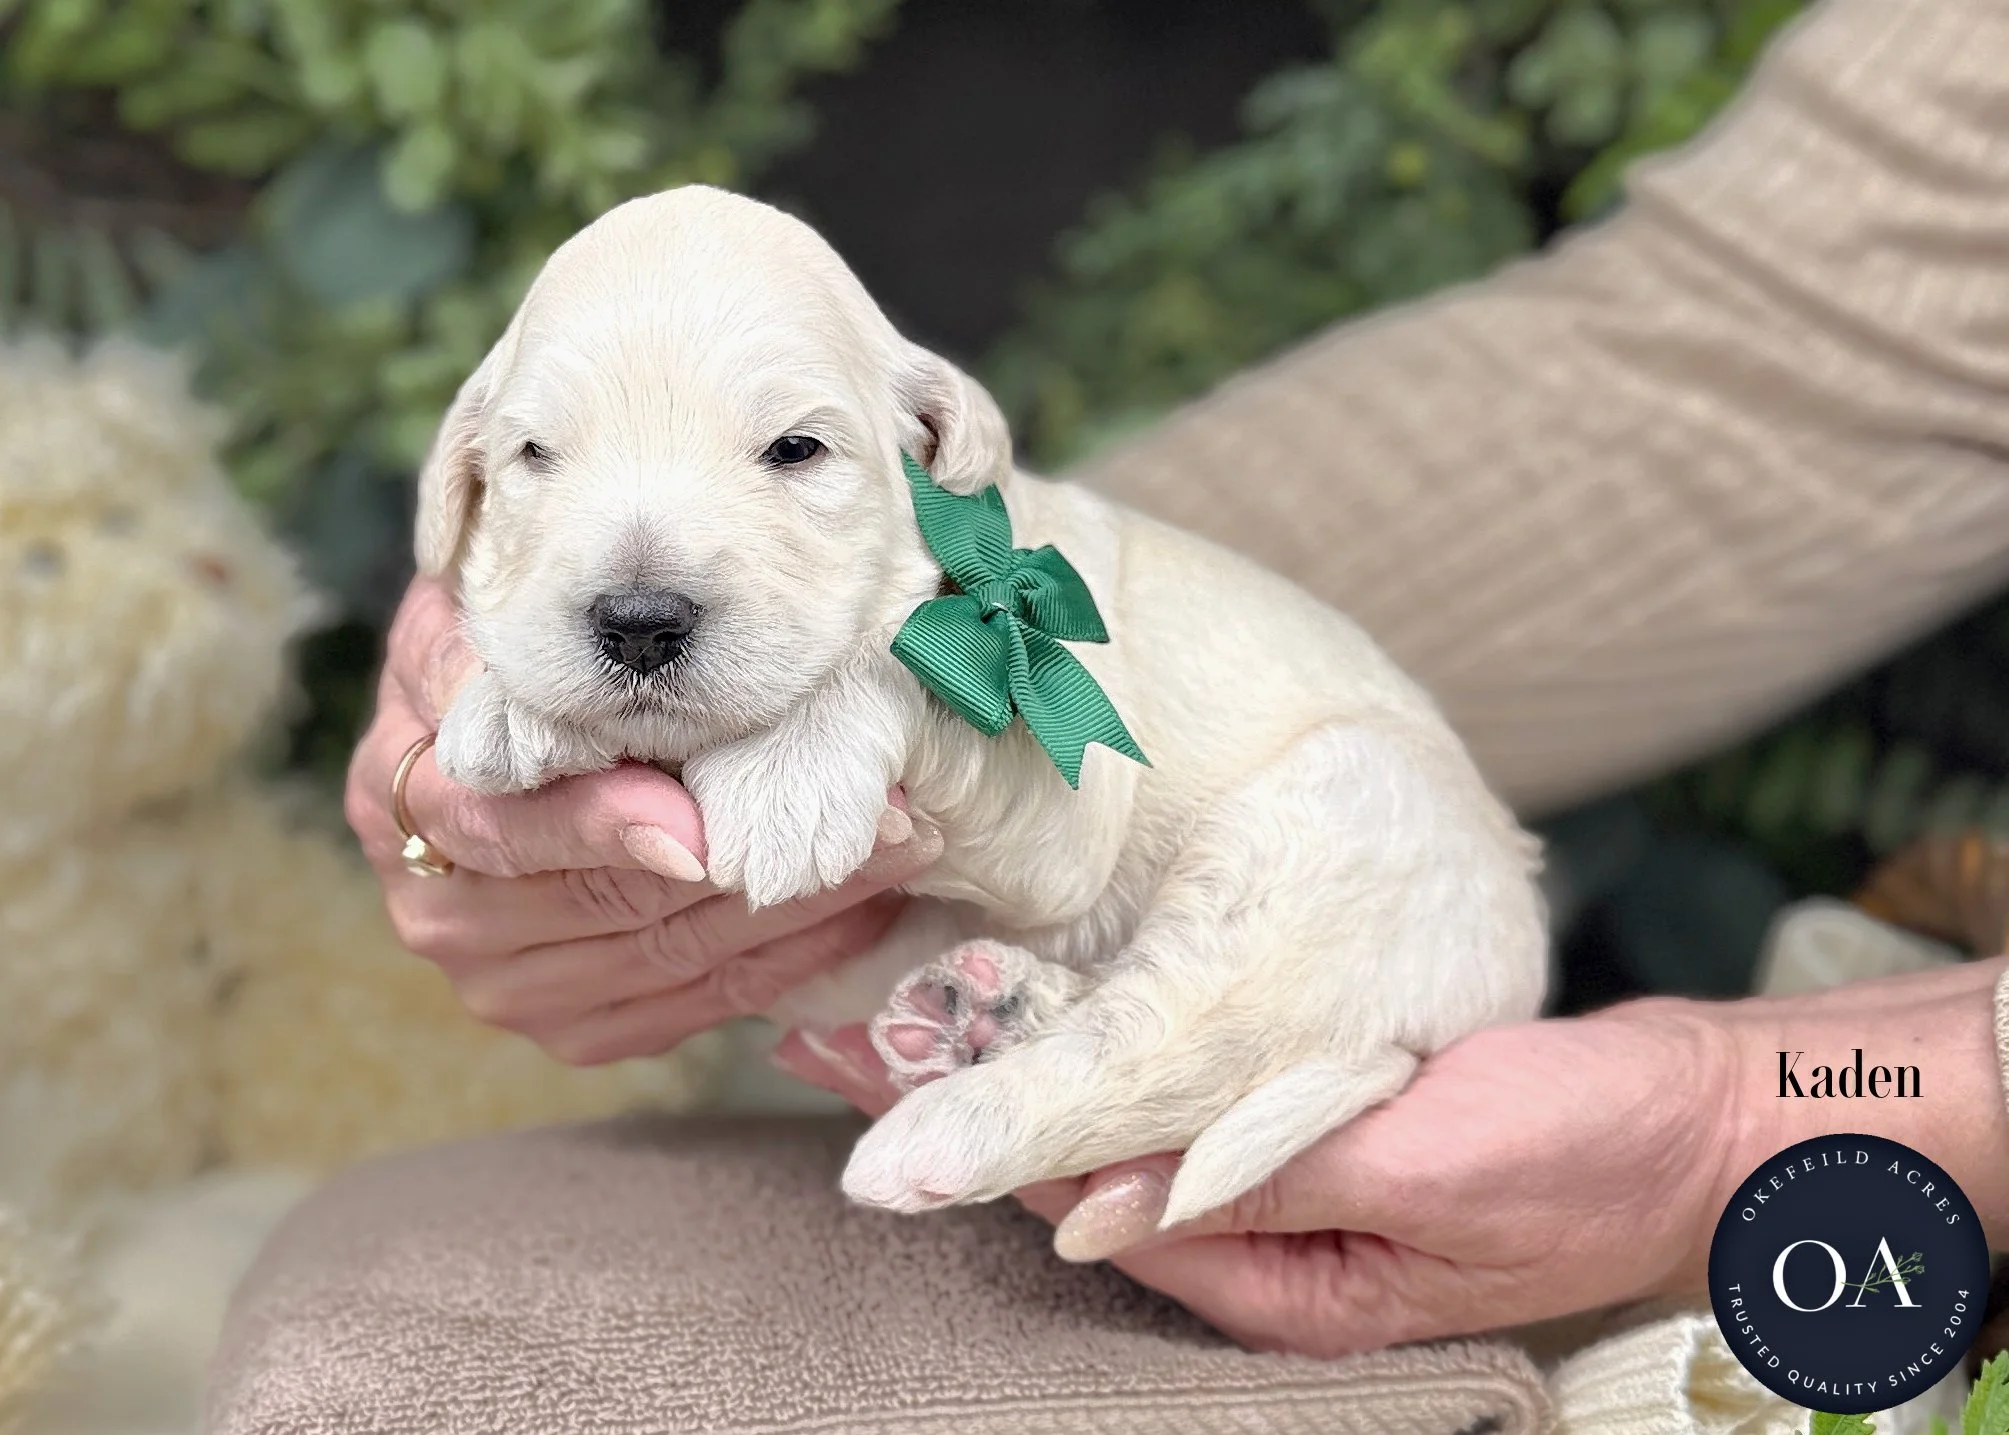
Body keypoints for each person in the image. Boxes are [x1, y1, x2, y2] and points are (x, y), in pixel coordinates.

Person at [346, 0, 2009, 1380]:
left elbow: (1064, 808)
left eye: (792, 451)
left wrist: (1773, 1110)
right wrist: (474, 729)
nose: (646, 580)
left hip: (1450, 993)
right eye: (540, 458)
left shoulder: (940, 565)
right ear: (469, 479)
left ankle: (1065, 1084)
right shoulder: (938, 520)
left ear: (939, 439)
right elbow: (1797, 335)